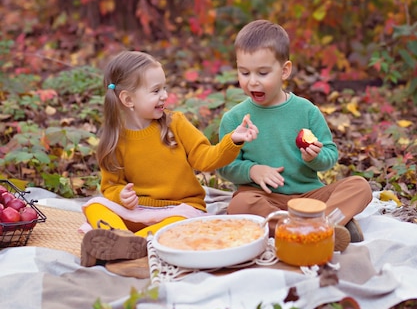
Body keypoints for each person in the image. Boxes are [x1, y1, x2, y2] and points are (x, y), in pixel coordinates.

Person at [81, 50, 258, 266]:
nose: (164, 95)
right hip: (138, 210)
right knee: (95, 205)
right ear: (128, 99)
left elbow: (206, 159)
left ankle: (130, 244)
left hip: (179, 209)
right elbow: (110, 187)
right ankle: (117, 238)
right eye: (156, 90)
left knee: (178, 226)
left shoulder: (176, 123)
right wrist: (121, 195)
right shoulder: (115, 139)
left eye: (164, 87)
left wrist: (234, 140)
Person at [217, 19, 373, 251]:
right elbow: (224, 166)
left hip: (309, 197)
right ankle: (323, 228)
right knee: (240, 204)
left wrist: (314, 158)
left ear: (285, 70)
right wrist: (252, 170)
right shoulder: (234, 118)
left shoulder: (306, 111)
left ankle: (318, 223)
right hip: (264, 198)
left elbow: (330, 154)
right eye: (244, 72)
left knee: (360, 187)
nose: (252, 81)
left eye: (262, 72)